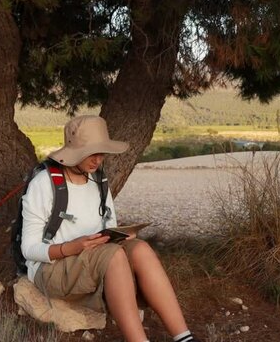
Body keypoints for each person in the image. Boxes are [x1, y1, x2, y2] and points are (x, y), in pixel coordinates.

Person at [21, 115, 198, 342]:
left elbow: (108, 225)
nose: (98, 160)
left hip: (91, 258)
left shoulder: (99, 181)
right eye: (92, 153)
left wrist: (120, 236)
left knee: (141, 248)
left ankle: (184, 337)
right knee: (114, 256)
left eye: (102, 153)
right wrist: (71, 247)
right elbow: (29, 249)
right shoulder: (44, 184)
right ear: (74, 150)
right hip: (51, 267)